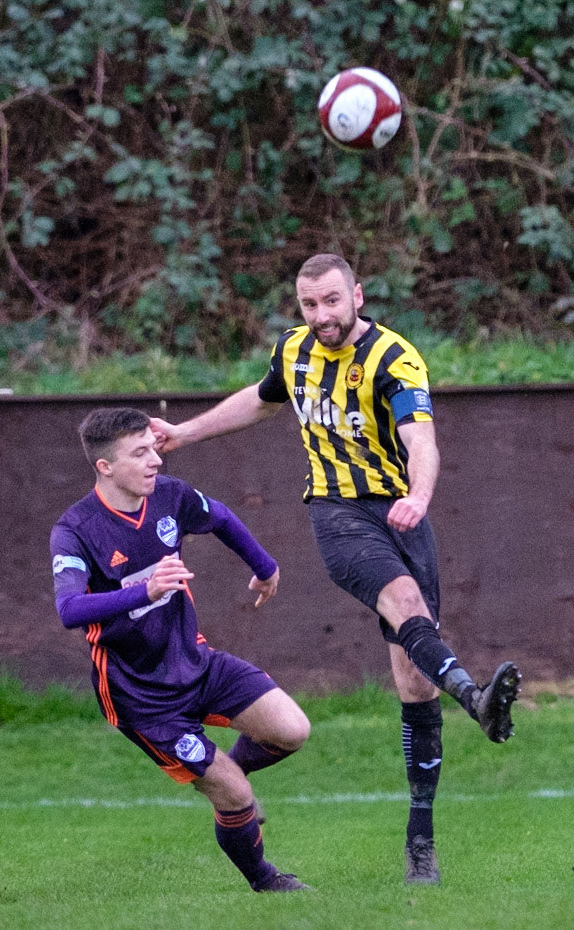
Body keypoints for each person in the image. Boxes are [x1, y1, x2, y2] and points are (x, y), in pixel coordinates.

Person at [150, 252, 522, 886]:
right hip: (337, 515)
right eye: (308, 305)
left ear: (358, 293)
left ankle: (420, 845)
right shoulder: (294, 351)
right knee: (404, 604)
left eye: (330, 301)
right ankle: (478, 699)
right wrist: (184, 433)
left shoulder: (394, 359)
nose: (320, 316)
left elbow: (421, 440)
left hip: (403, 516)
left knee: (414, 682)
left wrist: (420, 497)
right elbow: (264, 399)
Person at [49, 407, 312, 893]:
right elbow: (69, 609)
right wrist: (144, 591)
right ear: (104, 467)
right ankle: (266, 882)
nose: (156, 462)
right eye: (140, 453)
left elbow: (221, 518)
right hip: (140, 696)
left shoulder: (170, 497)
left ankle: (225, 775)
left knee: (292, 729)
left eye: (154, 448)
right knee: (234, 793)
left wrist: (266, 566)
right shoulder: (76, 529)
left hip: (197, 662)